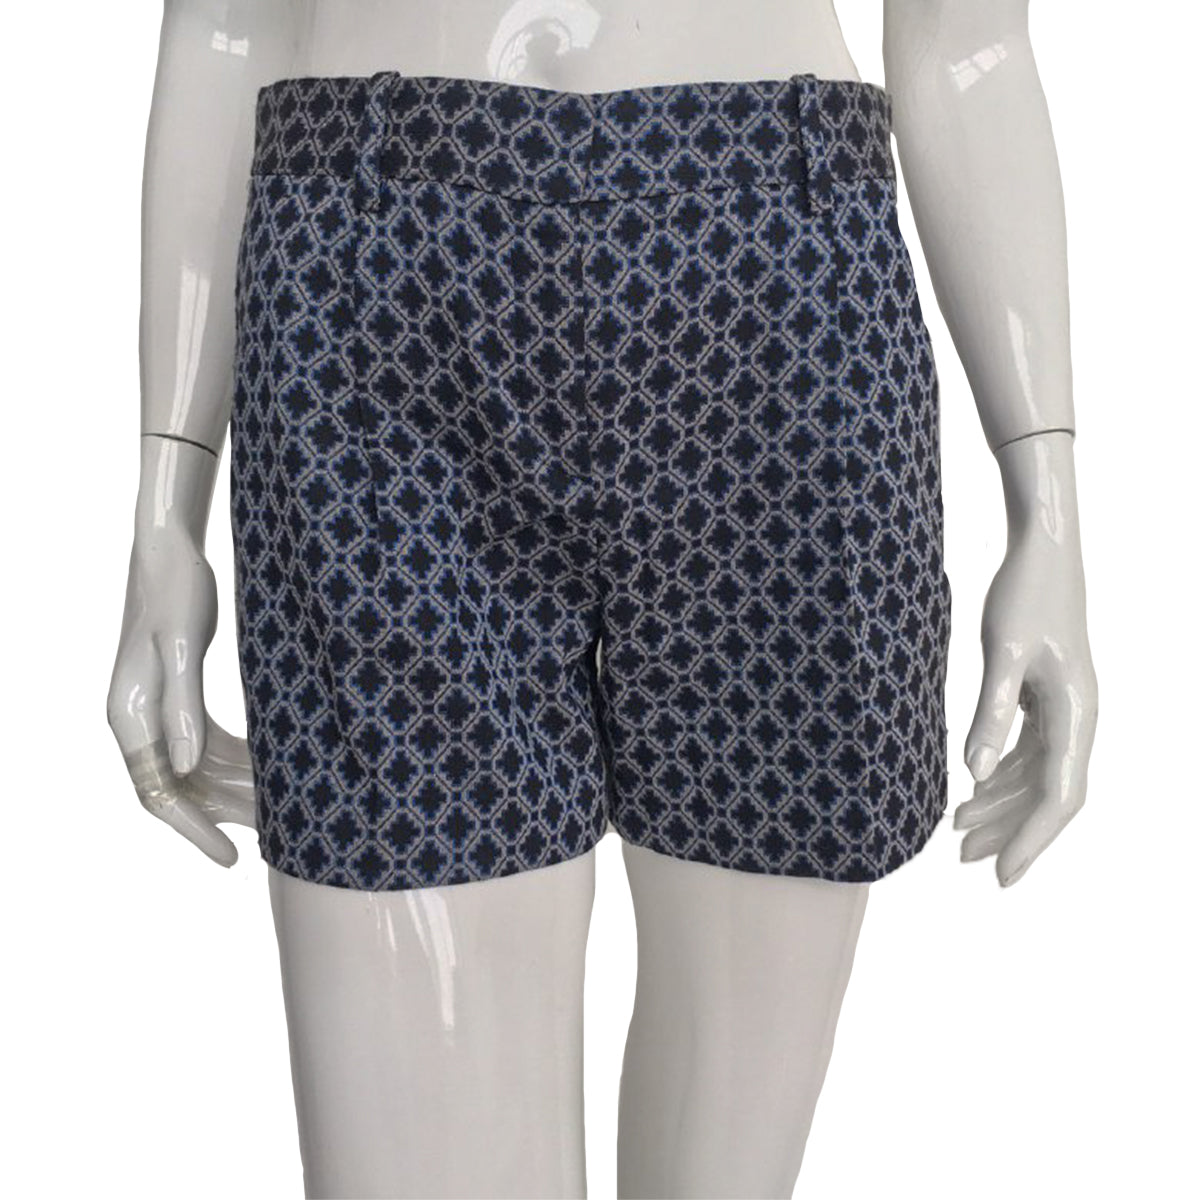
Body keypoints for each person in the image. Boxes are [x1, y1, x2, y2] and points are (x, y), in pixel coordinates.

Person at [107, 2, 1099, 1195]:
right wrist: (164, 511)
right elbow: (228, 23)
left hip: (770, 303)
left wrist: (1049, 510)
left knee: (724, 1156)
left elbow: (965, 39)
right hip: (376, 314)